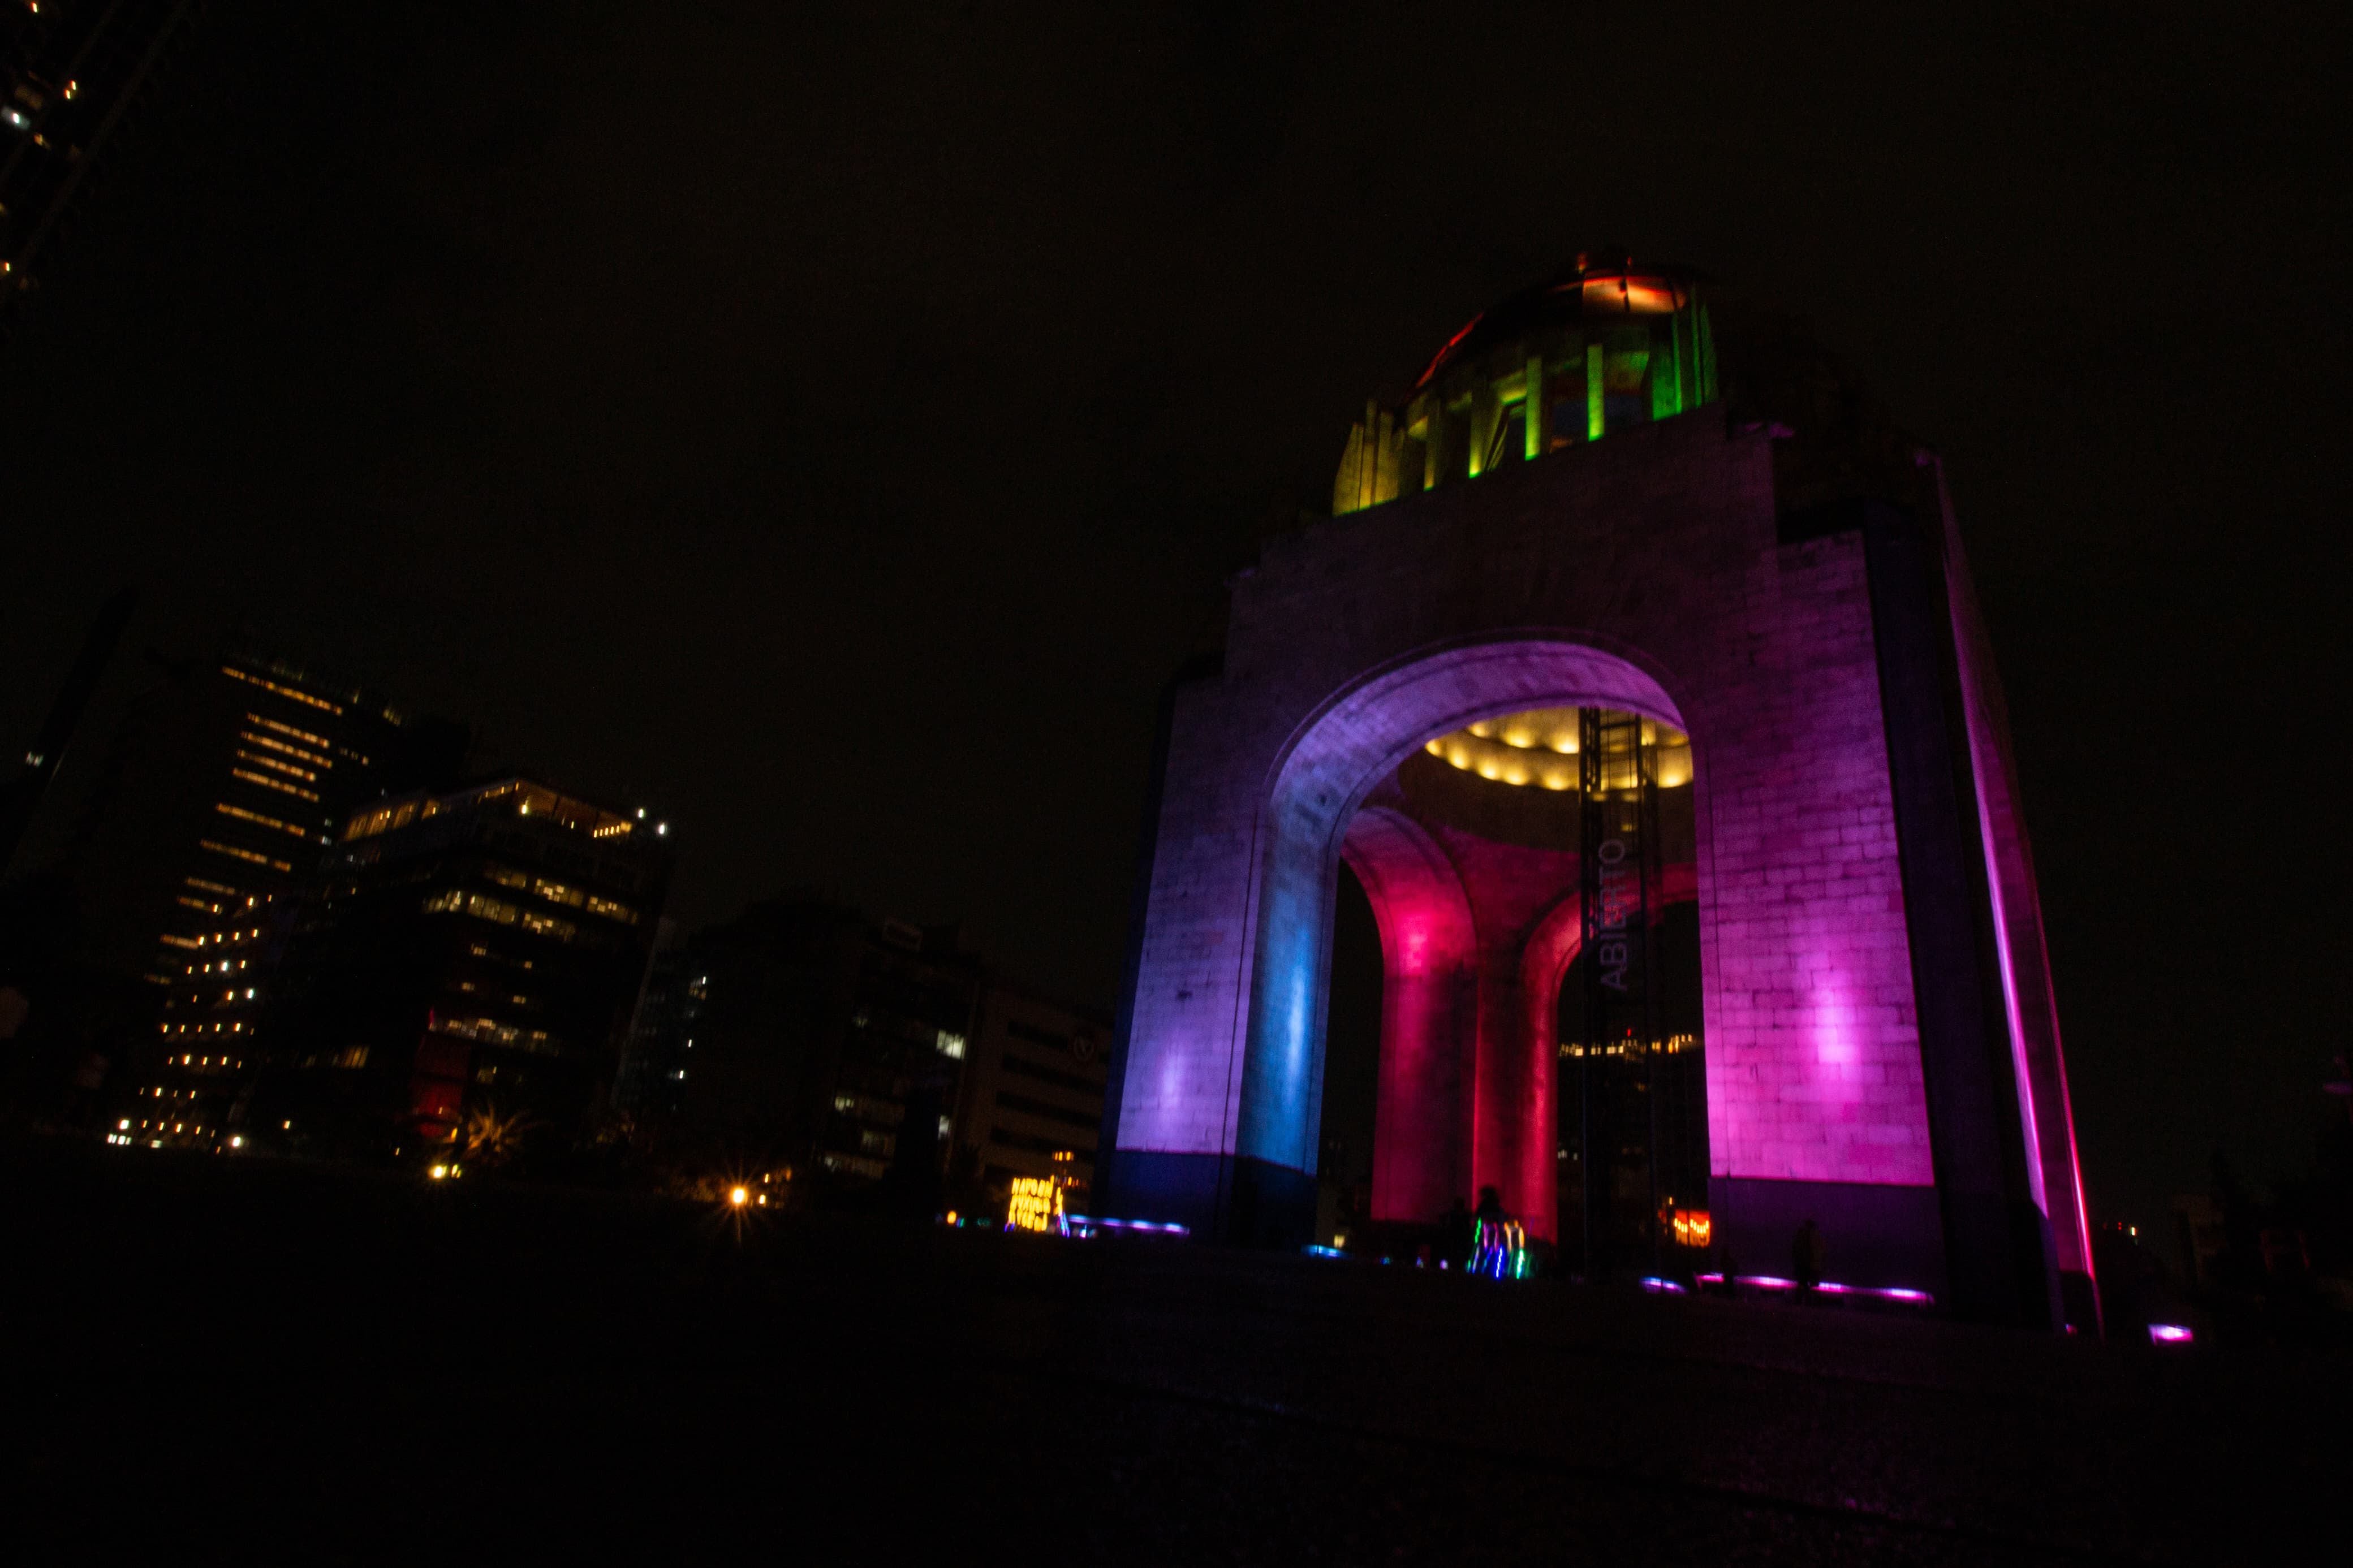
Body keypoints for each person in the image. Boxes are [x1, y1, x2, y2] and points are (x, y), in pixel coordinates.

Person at [1793, 1217, 1827, 1293]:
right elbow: (1821, 1250)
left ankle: (1802, 1299)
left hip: (1805, 1264)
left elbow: (1797, 1248)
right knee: (1811, 1285)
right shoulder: (1818, 1236)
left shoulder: (1803, 1234)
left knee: (1803, 1283)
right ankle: (1808, 1299)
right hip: (1813, 1265)